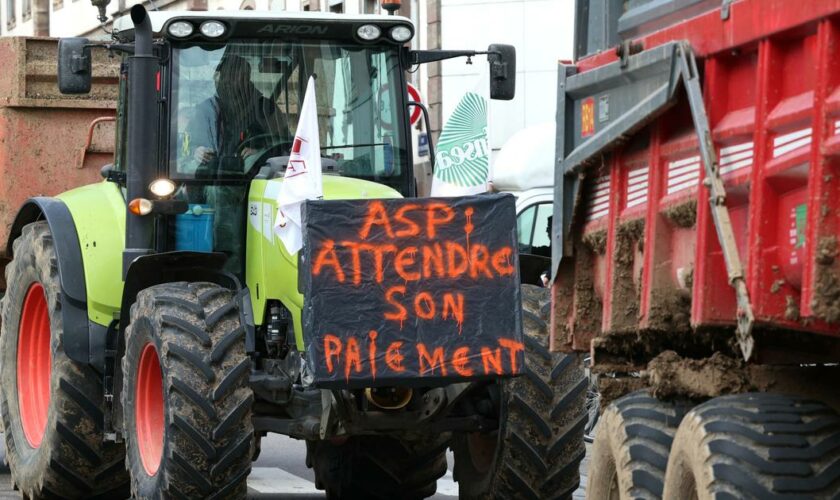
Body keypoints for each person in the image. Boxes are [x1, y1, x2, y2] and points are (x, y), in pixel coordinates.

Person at [184, 54, 289, 175]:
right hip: (211, 176)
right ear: (220, 78)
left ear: (247, 79)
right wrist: (196, 151)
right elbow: (185, 146)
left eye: (237, 77)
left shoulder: (266, 108)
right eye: (227, 76)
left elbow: (284, 146)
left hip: (252, 177)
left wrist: (260, 152)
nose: (230, 82)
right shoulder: (206, 109)